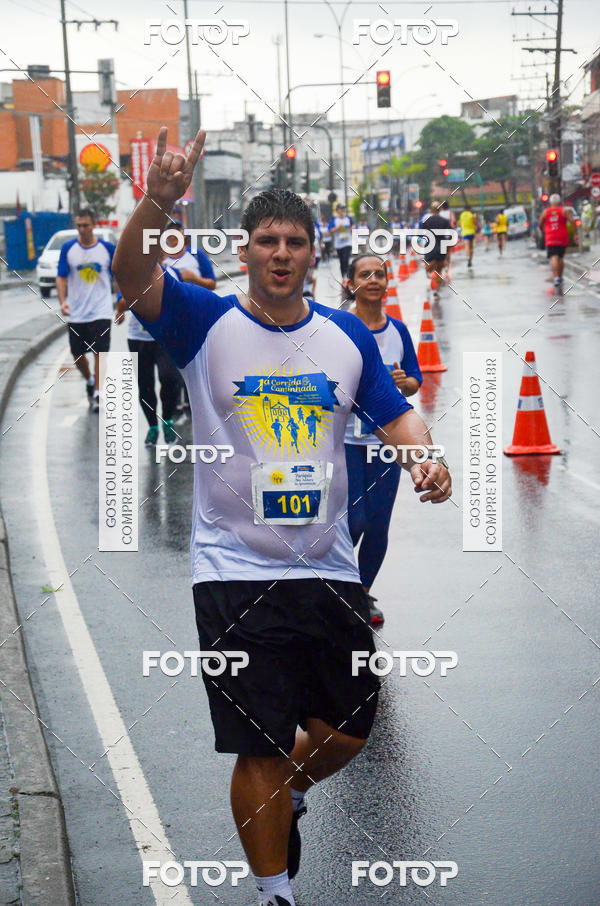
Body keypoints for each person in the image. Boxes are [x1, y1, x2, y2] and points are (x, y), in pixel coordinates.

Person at [112, 126, 451, 906]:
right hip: (234, 571)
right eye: (266, 240)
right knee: (258, 742)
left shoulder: (343, 339)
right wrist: (159, 200)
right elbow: (131, 272)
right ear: (246, 247)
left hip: (327, 565)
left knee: (349, 730)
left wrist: (423, 456)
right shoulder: (203, 321)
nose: (281, 253)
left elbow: (396, 416)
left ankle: (284, 794)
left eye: (295, 241)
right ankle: (275, 893)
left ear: (312, 252)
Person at [343, 254, 422, 627]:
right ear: (350, 283)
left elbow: (415, 380)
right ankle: (335, 589)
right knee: (353, 521)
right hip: (344, 441)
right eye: (364, 274)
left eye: (380, 274)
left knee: (377, 525)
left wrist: (405, 384)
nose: (373, 279)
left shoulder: (399, 331)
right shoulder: (338, 327)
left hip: (387, 444)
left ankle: (360, 593)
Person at [115, 257, 182, 445]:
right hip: (138, 338)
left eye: (158, 251)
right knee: (145, 385)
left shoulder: (173, 274)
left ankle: (167, 421)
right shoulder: (134, 276)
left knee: (169, 378)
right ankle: (152, 426)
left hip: (165, 338)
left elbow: (183, 303)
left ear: (162, 254)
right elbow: (121, 302)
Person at [56, 208, 116, 412]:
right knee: (77, 354)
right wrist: (63, 301)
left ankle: (98, 392)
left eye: (86, 225)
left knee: (100, 351)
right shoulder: (68, 249)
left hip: (101, 310)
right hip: (77, 312)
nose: (82, 229)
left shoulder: (107, 249)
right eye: (79, 225)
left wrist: (121, 300)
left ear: (94, 225)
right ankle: (90, 380)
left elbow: (117, 277)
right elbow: (61, 276)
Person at [538, 194, 575, 289]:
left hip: (550, 237)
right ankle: (560, 277)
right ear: (559, 202)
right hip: (562, 237)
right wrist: (575, 233)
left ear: (550, 202)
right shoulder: (564, 211)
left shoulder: (546, 212)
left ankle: (556, 278)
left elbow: (540, 223)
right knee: (561, 257)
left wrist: (544, 230)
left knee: (554, 257)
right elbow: (572, 221)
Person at [420, 201, 452, 300]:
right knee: (439, 270)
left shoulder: (426, 221)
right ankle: (436, 293)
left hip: (430, 246)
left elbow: (421, 233)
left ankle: (429, 274)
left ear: (431, 210)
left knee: (429, 268)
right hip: (441, 247)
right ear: (440, 209)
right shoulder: (445, 221)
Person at [327, 202, 354, 281]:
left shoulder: (348, 218)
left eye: (343, 209)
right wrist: (337, 228)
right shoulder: (334, 219)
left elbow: (353, 225)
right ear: (337, 210)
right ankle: (343, 277)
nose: (342, 210)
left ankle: (347, 276)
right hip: (338, 244)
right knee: (342, 261)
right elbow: (330, 231)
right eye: (341, 209)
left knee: (346, 259)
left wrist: (352, 228)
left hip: (348, 242)